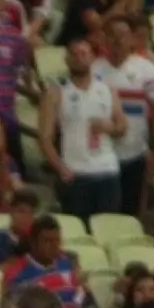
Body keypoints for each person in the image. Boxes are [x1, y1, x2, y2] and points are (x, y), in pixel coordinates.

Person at [38, 37, 126, 220]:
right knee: (78, 227)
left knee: (107, 225)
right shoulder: (55, 92)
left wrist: (109, 127)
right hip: (76, 173)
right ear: (67, 59)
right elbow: (45, 137)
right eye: (74, 54)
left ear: (92, 57)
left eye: (84, 53)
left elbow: (122, 127)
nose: (79, 58)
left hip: (107, 171)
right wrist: (60, 168)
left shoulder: (107, 89)